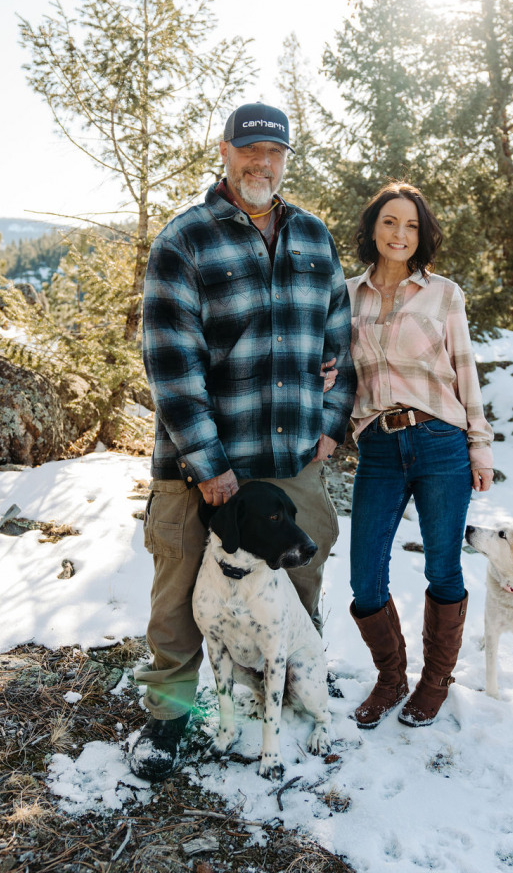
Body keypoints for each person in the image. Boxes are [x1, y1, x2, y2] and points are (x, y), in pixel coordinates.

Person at [130, 102, 356, 781]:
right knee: (179, 592)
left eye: (274, 152)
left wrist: (329, 427)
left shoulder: (312, 236)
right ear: (225, 152)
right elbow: (171, 365)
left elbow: (339, 342)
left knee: (302, 569)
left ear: (286, 159)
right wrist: (208, 465)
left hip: (291, 457)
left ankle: (290, 676)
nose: (263, 163)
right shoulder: (185, 240)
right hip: (201, 462)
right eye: (250, 150)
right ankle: (169, 715)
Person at [346, 182, 493, 729]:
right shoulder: (347, 295)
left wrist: (480, 446)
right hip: (379, 446)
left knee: (442, 567)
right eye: (390, 221)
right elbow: (337, 370)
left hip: (440, 442)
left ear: (422, 234)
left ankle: (435, 681)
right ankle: (391, 679)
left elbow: (465, 369)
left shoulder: (444, 293)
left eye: (411, 225)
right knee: (365, 578)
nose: (400, 233)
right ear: (372, 228)